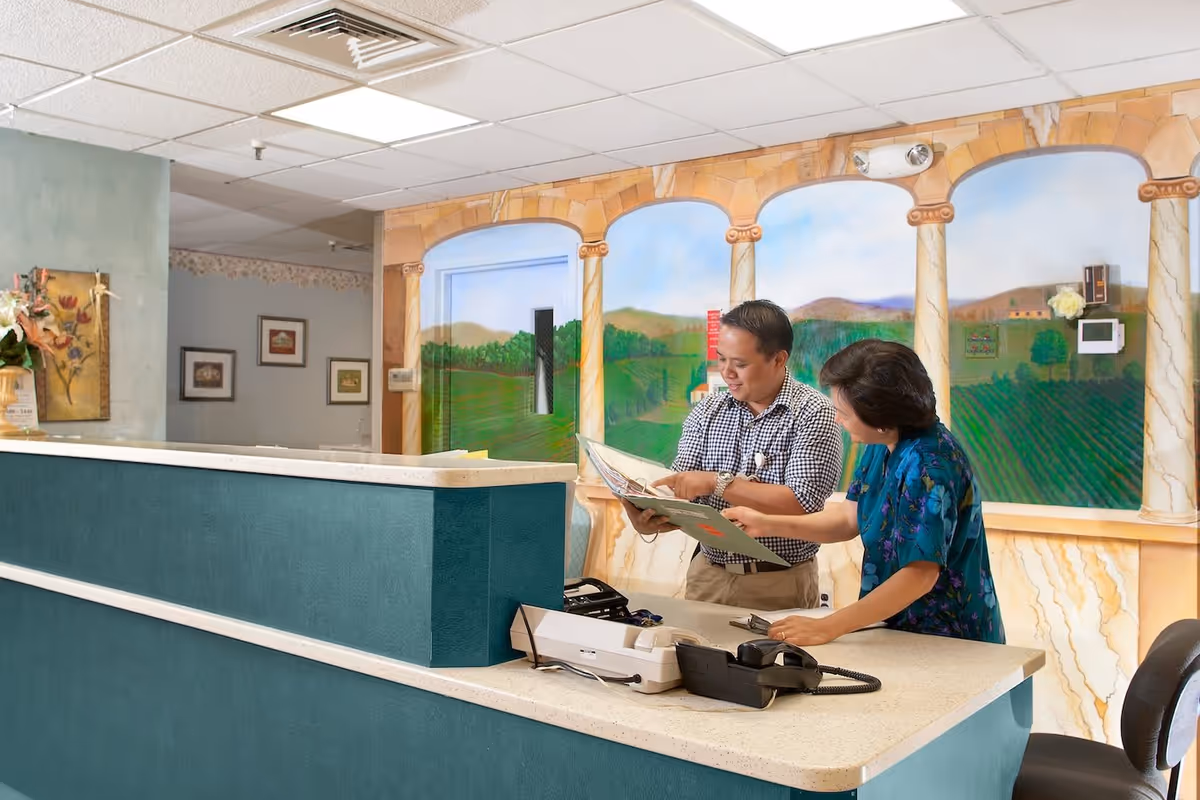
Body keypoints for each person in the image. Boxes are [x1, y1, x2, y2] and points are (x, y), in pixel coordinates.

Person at [723, 339, 1005, 646]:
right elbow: (848, 519)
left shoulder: (929, 465)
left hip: (949, 637)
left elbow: (920, 574)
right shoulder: (881, 443)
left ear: (882, 419)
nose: (837, 420)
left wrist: (829, 626)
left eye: (844, 413)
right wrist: (765, 523)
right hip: (892, 625)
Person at [619, 299, 843, 611]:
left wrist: (717, 483)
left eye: (740, 364)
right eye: (721, 360)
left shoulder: (813, 412)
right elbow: (681, 486)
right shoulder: (707, 410)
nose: (727, 373)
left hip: (779, 582)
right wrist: (648, 512)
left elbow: (802, 502)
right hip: (707, 576)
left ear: (778, 359)